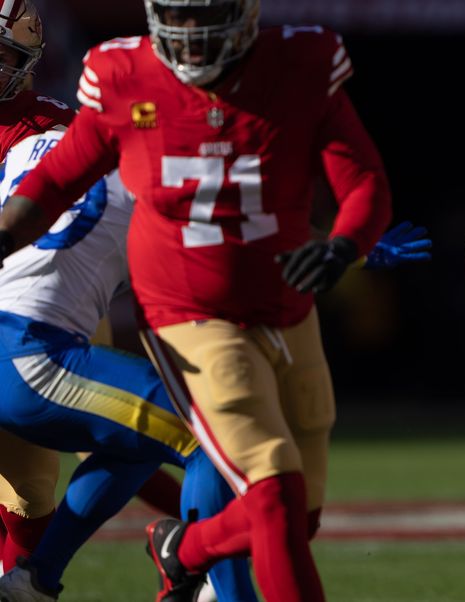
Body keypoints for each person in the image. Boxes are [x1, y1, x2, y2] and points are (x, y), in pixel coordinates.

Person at [0, 0, 393, 599]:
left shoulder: (292, 66)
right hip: (91, 336)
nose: (190, 38)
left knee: (283, 507)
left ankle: (116, 564)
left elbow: (323, 188)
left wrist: (345, 242)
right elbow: (72, 191)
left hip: (50, 338)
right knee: (233, 462)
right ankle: (214, 588)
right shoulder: (118, 116)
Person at [0, 0, 194, 583]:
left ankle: (187, 543)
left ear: (25, 60)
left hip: (28, 308)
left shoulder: (51, 129)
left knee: (31, 491)